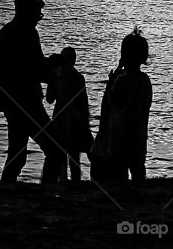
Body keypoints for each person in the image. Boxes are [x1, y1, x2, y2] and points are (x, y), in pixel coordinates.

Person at [0, 0, 63, 183]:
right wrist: (53, 70)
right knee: (55, 149)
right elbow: (33, 70)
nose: (39, 19)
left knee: (17, 154)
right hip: (27, 102)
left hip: (11, 102)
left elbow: (22, 67)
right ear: (28, 12)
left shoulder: (3, 35)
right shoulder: (28, 34)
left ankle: (7, 188)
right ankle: (47, 189)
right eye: (37, 14)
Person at [91, 28, 152, 184]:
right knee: (138, 168)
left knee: (120, 171)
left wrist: (112, 80)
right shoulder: (145, 80)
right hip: (139, 135)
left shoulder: (121, 80)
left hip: (120, 136)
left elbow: (110, 102)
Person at [46, 46, 93, 182]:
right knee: (71, 155)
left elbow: (49, 99)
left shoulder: (63, 77)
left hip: (66, 120)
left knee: (68, 154)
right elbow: (84, 104)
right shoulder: (77, 78)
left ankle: (66, 182)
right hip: (69, 120)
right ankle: (70, 182)